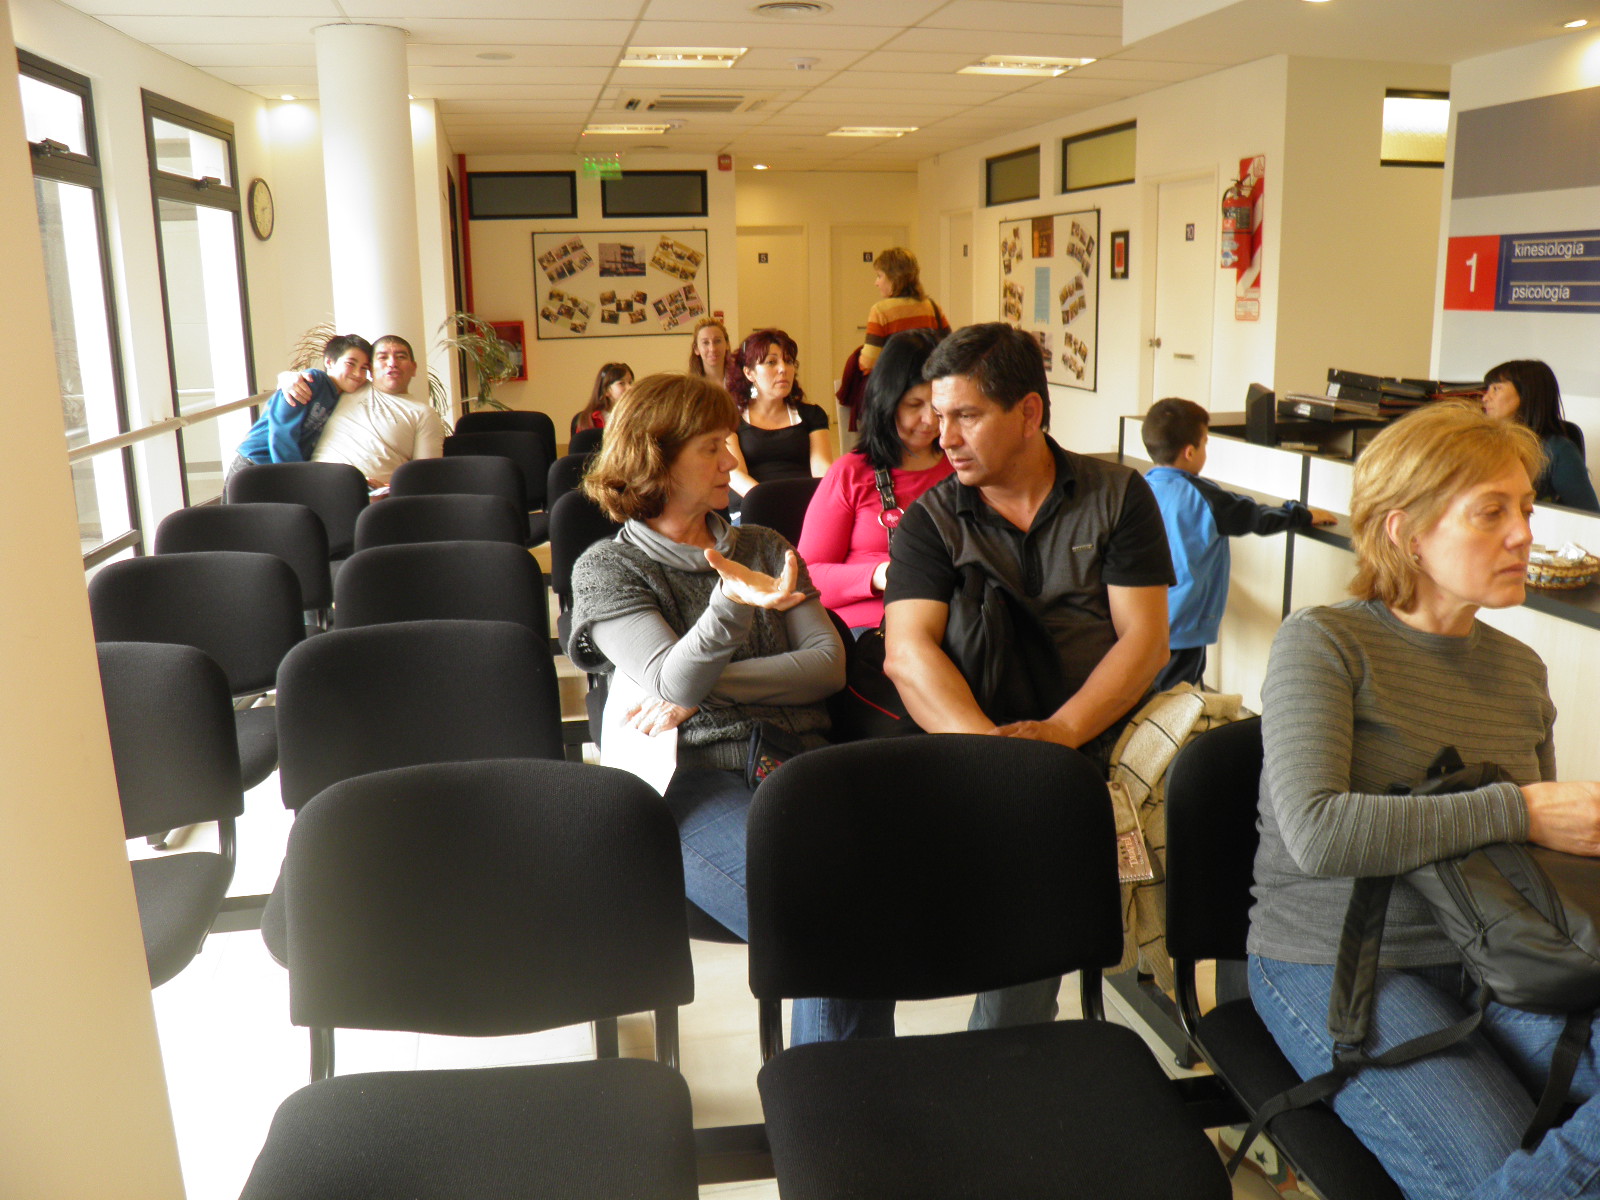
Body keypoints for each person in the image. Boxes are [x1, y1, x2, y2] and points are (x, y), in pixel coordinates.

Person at [1249, 401, 1600, 1200]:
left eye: (1526, 509)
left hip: (1499, 956)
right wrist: (1523, 809)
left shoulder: (1521, 672)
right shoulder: (1325, 641)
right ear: (1406, 532)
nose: (1524, 534)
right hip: (1341, 962)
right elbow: (1319, 834)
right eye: (1491, 512)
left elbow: (1534, 860)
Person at [883, 321, 1174, 1031]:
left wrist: (1062, 733)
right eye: (938, 415)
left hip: (1103, 732)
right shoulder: (931, 521)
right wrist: (1001, 757)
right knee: (1028, 877)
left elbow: (1145, 641)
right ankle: (1003, 1060)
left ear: (1029, 413)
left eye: (966, 416)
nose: (944, 437)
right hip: (981, 747)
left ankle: (1218, 1020)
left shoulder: (1117, 495)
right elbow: (907, 653)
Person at [566, 372, 852, 1043]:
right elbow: (670, 679)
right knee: (826, 925)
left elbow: (826, 667)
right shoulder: (608, 570)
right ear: (655, 459)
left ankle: (844, 1088)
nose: (732, 460)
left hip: (803, 765)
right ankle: (832, 1093)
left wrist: (704, 691)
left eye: (729, 442)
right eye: (712, 447)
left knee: (871, 913)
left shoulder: (765, 545)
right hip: (693, 783)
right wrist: (732, 601)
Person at [1140, 396, 1335, 690]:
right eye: (1205, 443)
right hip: (1185, 624)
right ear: (1190, 452)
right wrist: (1301, 513)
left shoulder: (1141, 489)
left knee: (1148, 692)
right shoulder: (1204, 497)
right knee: (1174, 701)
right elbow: (1256, 518)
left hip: (1145, 619)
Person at [796, 329, 952, 632]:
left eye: (938, 406)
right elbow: (806, 577)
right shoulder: (850, 473)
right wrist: (880, 575)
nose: (930, 420)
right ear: (887, 403)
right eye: (914, 405)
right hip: (871, 629)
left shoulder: (964, 467)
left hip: (952, 622)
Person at [277, 334, 444, 489]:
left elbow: (426, 478)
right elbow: (311, 383)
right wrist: (287, 377)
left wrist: (390, 490)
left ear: (414, 368)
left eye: (401, 357)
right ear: (371, 368)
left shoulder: (424, 414)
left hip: (372, 496)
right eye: (383, 357)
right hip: (315, 485)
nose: (392, 363)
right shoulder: (349, 388)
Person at [228, 334, 371, 481]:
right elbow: (282, 433)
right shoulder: (310, 381)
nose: (357, 373)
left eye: (364, 368)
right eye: (350, 364)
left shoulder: (343, 396)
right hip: (256, 462)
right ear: (329, 362)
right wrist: (298, 479)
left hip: (281, 470)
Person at [723, 328, 834, 501]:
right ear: (749, 373)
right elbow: (736, 475)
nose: (783, 369)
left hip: (803, 502)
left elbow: (822, 469)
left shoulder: (812, 414)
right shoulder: (731, 417)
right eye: (771, 362)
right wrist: (771, 501)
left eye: (788, 361)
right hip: (754, 502)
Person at [1481, 359, 1599, 512]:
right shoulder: (1482, 443)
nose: (1485, 398)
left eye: (1496, 389)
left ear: (1527, 394)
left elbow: (1588, 515)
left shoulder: (1558, 450)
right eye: (1488, 390)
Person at [858, 247, 950, 374]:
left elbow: (868, 362)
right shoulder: (933, 308)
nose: (876, 283)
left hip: (894, 381)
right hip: (928, 381)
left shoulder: (880, 311)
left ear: (894, 278)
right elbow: (949, 348)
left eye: (879, 276)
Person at [573, 362, 632, 436]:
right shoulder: (590, 419)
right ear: (606, 390)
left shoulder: (634, 416)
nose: (630, 388)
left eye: (630, 382)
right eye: (622, 383)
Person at [686, 316, 730, 383]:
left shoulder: (742, 382)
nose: (712, 349)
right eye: (705, 343)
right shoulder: (689, 386)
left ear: (727, 344)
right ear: (696, 349)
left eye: (717, 341)